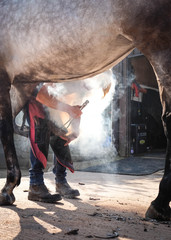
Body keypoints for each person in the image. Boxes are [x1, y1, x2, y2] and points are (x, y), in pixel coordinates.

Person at [27, 83, 82, 203]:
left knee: (62, 134)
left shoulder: (75, 81)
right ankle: (35, 184)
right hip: (36, 103)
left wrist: (75, 130)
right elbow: (40, 94)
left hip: (55, 105)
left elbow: (74, 106)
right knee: (40, 134)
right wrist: (69, 109)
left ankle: (61, 182)